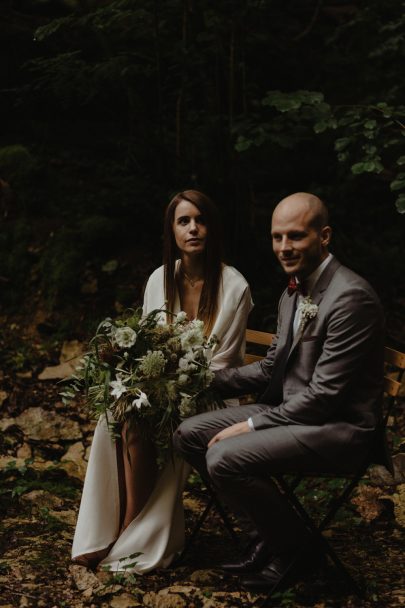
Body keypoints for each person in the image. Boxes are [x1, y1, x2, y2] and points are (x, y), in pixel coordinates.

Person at [173, 192, 385, 590]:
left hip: (339, 428)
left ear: (324, 236)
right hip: (296, 413)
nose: (284, 247)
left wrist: (251, 424)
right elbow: (272, 366)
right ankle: (267, 541)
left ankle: (300, 556)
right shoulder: (294, 290)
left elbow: (325, 397)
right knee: (189, 435)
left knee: (223, 456)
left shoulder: (350, 297)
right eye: (276, 237)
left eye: (295, 236)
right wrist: (199, 379)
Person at [71, 189, 253, 572]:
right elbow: (148, 341)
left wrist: (164, 384)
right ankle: (113, 531)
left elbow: (219, 364)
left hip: (212, 395)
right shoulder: (160, 279)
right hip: (163, 390)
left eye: (200, 220)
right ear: (171, 231)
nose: (193, 228)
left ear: (212, 228)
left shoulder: (235, 286)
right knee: (117, 417)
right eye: (183, 221)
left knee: (162, 423)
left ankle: (131, 535)